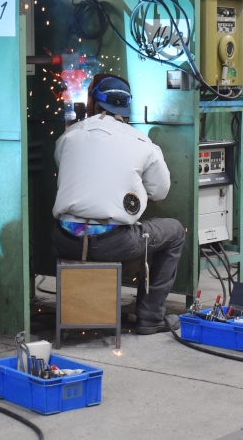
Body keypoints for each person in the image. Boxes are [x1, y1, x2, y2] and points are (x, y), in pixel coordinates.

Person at [52, 75, 184, 335]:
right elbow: (160, 191)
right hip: (113, 243)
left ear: (93, 101)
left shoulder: (68, 136)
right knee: (175, 232)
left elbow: (66, 170)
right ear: (127, 106)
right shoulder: (142, 143)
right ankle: (150, 317)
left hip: (64, 239)